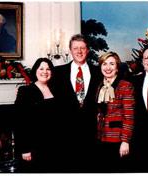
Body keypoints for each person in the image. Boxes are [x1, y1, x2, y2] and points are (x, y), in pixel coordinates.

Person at [52, 34, 101, 172]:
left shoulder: (98, 72)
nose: (79, 51)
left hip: (92, 133)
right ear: (70, 50)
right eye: (75, 48)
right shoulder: (58, 72)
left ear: (87, 50)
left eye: (82, 48)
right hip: (66, 135)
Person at [14, 58, 59, 172]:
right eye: (41, 68)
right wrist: (24, 149)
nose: (45, 71)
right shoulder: (25, 91)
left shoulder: (57, 90)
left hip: (54, 144)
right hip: (34, 146)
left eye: (48, 69)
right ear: (35, 71)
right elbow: (20, 122)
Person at [96, 52, 134, 172]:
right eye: (105, 64)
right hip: (101, 138)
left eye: (112, 64)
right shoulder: (100, 86)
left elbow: (129, 116)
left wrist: (125, 141)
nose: (108, 68)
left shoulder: (125, 86)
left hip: (118, 140)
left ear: (117, 68)